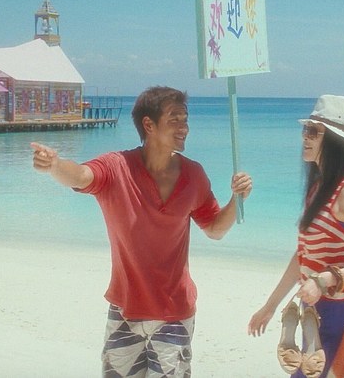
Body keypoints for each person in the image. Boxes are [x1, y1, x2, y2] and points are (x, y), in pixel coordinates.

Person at [30, 86, 252, 377]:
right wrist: (55, 165)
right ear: (149, 124)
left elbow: (214, 229)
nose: (184, 128)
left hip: (175, 312)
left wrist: (236, 200)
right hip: (125, 308)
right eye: (174, 119)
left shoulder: (194, 174)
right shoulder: (116, 167)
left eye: (185, 120)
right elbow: (81, 175)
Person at [248, 95, 344, 377]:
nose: (305, 137)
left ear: (336, 141)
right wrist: (270, 306)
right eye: (305, 129)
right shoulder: (318, 189)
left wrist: (325, 279)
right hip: (312, 311)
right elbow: (304, 256)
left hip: (340, 312)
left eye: (313, 131)